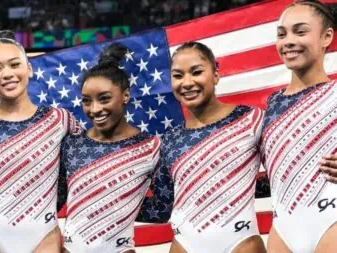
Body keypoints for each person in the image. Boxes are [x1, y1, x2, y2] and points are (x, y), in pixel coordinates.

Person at [138, 41, 266, 253]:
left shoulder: (251, 120)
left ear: (216, 74)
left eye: (196, 72)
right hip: (185, 246)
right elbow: (163, 206)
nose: (187, 82)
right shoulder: (170, 140)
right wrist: (112, 205)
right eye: (178, 75)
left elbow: (284, 174)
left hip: (240, 243)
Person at [0, 30, 81, 253]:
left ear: (29, 68)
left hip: (43, 235)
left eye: (14, 64)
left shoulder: (60, 120)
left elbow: (82, 172)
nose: (7, 74)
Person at [58, 43, 161, 253]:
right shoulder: (71, 144)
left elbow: (167, 205)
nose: (95, 109)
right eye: (87, 101)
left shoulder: (150, 147)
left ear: (125, 95)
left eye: (104, 99)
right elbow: (53, 199)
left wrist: (122, 208)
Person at [261, 1, 337, 252]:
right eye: (282, 34)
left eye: (300, 31)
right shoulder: (272, 104)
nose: (288, 41)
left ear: (327, 37)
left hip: (331, 222)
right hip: (283, 227)